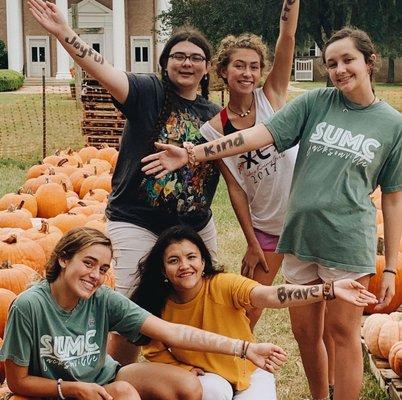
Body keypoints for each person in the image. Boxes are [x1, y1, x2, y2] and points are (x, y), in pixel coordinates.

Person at [141, 28, 402, 400]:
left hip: (347, 240)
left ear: (369, 62)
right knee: (306, 335)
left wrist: (390, 265)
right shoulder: (316, 104)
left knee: (342, 335)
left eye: (348, 60)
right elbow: (258, 135)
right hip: (299, 237)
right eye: (331, 63)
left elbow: (392, 198)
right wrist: (194, 152)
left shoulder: (392, 124)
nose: (339, 70)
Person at [28, 0, 220, 364]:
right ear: (164, 63)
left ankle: (189, 372)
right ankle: (121, 376)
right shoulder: (147, 93)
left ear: (207, 67)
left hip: (194, 225)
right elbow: (101, 68)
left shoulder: (214, 116)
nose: (187, 63)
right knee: (133, 306)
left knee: (201, 297)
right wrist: (65, 33)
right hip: (137, 218)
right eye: (178, 56)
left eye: (196, 57)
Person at [0, 227, 290, 400]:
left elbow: (175, 333)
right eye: (88, 263)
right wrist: (73, 389)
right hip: (56, 389)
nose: (95, 275)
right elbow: (17, 382)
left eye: (103, 269)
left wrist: (244, 348)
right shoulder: (29, 306)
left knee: (184, 386)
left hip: (102, 380)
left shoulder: (102, 298)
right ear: (63, 258)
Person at [132, 225, 377, 400]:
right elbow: (154, 350)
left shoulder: (223, 284)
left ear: (203, 262)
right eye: (173, 261)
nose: (184, 266)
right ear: (163, 270)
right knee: (216, 392)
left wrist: (329, 289)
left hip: (249, 370)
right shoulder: (158, 304)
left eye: (191, 257)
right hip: (206, 379)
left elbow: (270, 295)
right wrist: (183, 371)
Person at [201, 0, 299, 329]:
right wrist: (252, 242)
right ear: (223, 71)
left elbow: (287, 37)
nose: (248, 73)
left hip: (305, 218)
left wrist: (291, 5)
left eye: (254, 66)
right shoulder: (213, 129)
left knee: (316, 306)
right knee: (249, 308)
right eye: (239, 66)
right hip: (267, 225)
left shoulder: (270, 96)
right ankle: (236, 370)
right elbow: (235, 188)